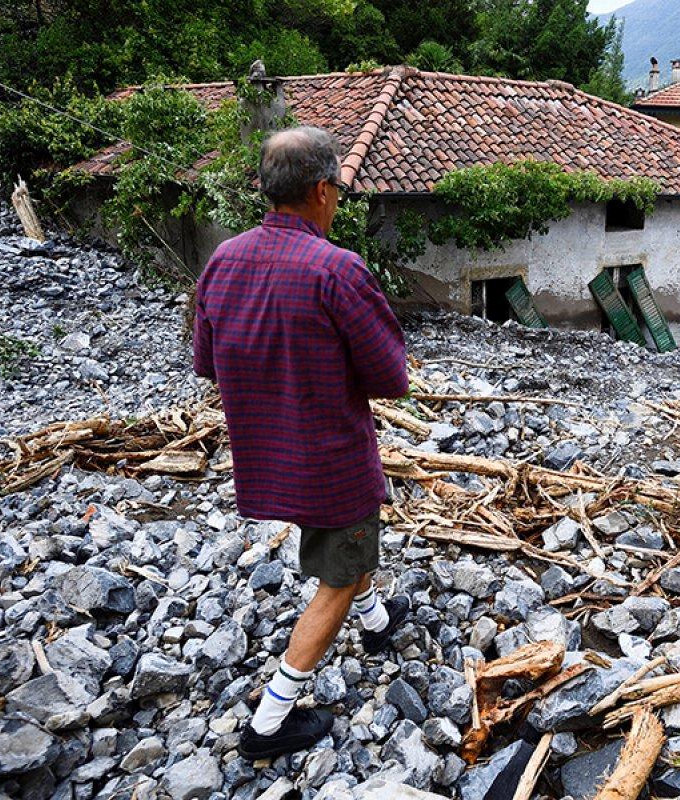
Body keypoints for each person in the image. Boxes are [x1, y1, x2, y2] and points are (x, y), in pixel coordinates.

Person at [193, 126, 411, 761]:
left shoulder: (223, 259)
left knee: (348, 547)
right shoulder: (339, 270)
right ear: (322, 190)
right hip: (331, 461)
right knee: (339, 574)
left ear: (264, 188)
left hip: (266, 456)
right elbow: (390, 378)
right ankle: (269, 721)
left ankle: (376, 627)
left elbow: (208, 362)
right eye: (338, 189)